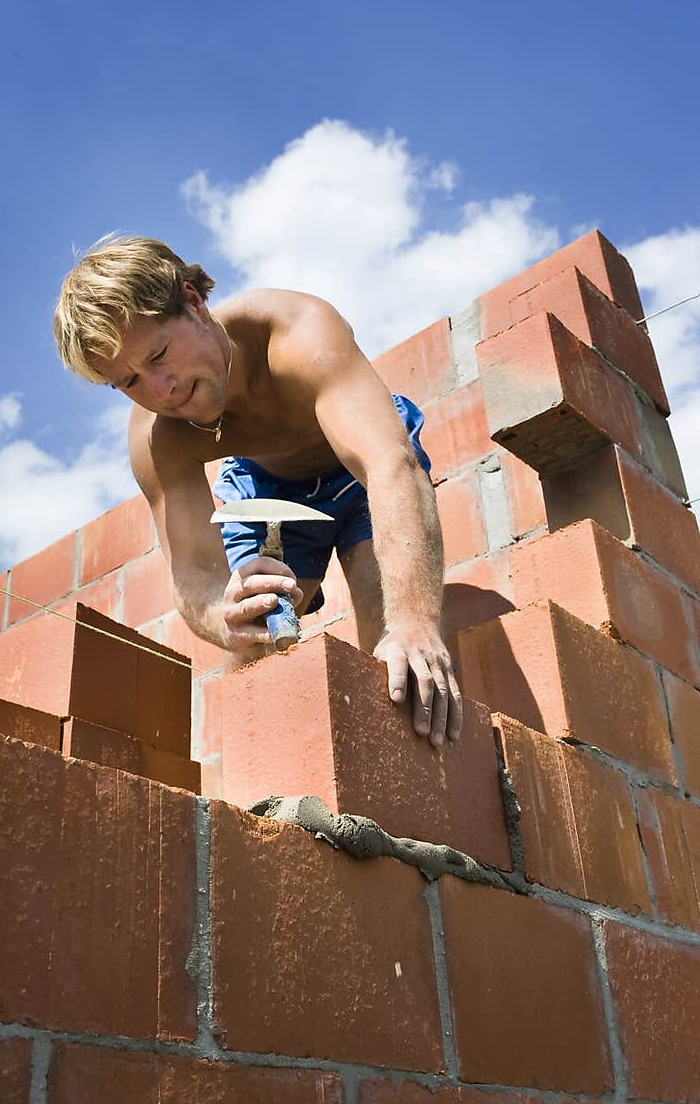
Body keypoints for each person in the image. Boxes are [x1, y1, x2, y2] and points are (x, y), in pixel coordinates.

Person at [53, 235, 462, 748]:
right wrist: (224, 619)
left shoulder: (296, 335)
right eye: (130, 382)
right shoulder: (155, 438)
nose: (162, 391)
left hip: (359, 477)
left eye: (159, 355)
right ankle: (278, 809)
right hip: (265, 493)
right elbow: (196, 574)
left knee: (401, 661)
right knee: (254, 643)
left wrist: (414, 622)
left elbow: (389, 467)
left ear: (195, 304)